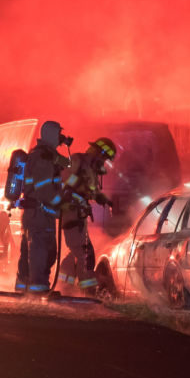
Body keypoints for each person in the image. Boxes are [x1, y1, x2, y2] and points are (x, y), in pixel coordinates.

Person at [14, 120, 71, 296]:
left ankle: (24, 287)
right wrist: (60, 202)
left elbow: (68, 165)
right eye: (58, 134)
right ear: (51, 135)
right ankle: (38, 288)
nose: (60, 137)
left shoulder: (45, 154)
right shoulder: (43, 158)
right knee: (43, 251)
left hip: (35, 213)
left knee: (30, 251)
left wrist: (64, 146)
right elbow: (44, 188)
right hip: (40, 213)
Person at [56, 137, 117, 294]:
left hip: (79, 215)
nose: (104, 163)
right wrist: (77, 197)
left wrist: (102, 198)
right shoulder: (77, 161)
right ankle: (88, 290)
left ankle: (65, 285)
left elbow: (90, 190)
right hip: (70, 213)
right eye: (104, 158)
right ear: (99, 153)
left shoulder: (91, 169)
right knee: (86, 253)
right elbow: (64, 186)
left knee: (76, 251)